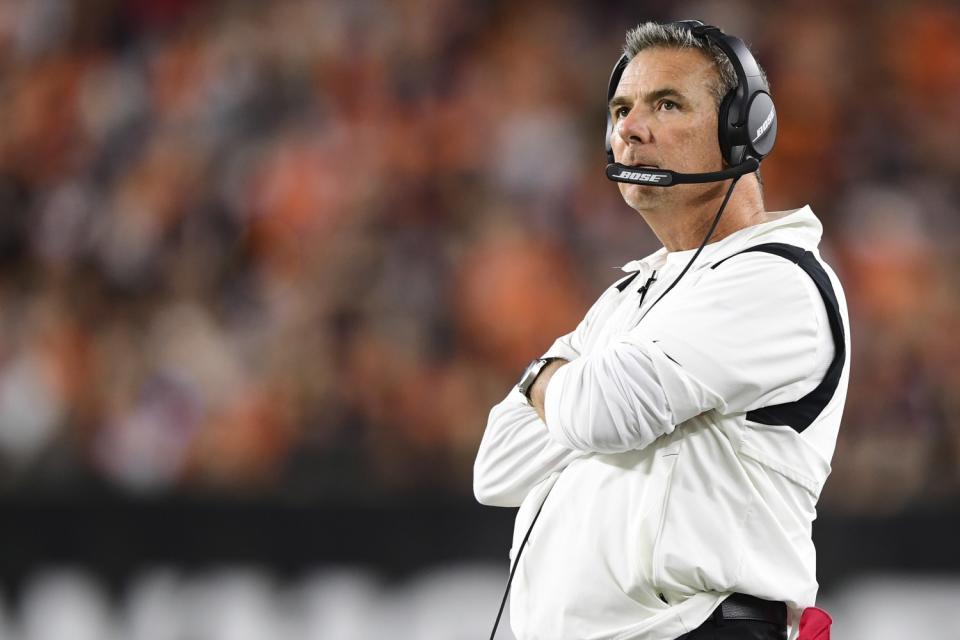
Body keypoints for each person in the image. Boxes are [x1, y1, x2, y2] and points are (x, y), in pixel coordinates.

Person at [474, 20, 849, 640]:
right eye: (621, 109)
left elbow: (600, 413)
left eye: (666, 104)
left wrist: (543, 377)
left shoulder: (777, 282)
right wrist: (577, 394)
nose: (630, 128)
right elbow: (498, 465)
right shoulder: (630, 294)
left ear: (742, 128)